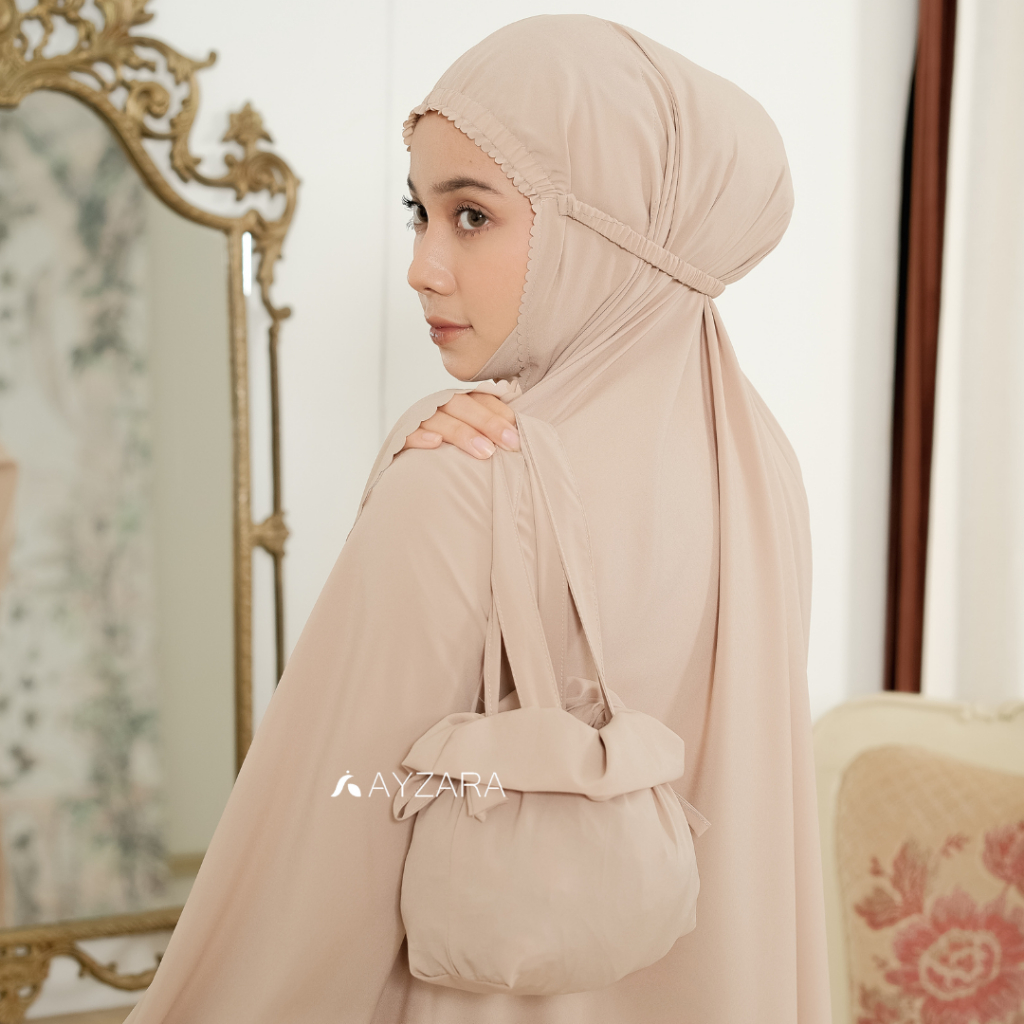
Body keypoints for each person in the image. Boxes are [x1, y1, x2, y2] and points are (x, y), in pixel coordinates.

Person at [125, 14, 831, 1023]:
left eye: (470, 215)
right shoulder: (761, 467)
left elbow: (327, 846)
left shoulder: (467, 477)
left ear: (605, 227)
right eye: (419, 212)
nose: (422, 265)